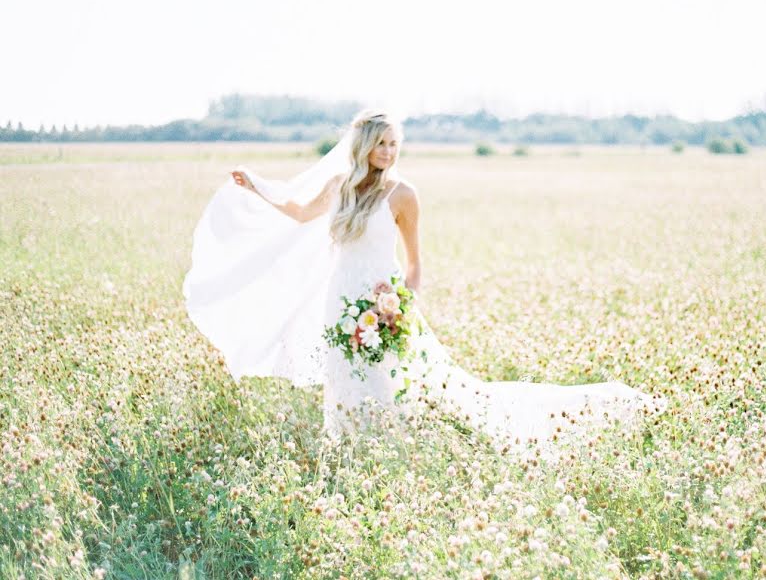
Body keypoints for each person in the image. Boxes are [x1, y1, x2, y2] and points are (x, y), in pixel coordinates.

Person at [184, 108, 666, 463]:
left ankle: (386, 462)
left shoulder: (404, 194)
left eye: (394, 144)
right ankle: (347, 461)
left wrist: (398, 310)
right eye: (381, 144)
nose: (388, 153)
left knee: (395, 386)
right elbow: (298, 212)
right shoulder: (339, 187)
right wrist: (257, 185)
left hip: (383, 307)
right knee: (344, 382)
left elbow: (414, 265)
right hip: (339, 303)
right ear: (363, 147)